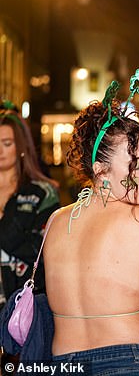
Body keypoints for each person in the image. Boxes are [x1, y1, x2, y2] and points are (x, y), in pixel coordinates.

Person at [43, 79, 139, 375]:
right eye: (137, 165)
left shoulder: (56, 221)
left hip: (62, 364)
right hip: (130, 360)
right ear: (100, 170)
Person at [0, 101, 59, 306]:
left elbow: (43, 253)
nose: (0, 150)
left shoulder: (41, 193)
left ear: (21, 146)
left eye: (7, 143)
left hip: (23, 306)